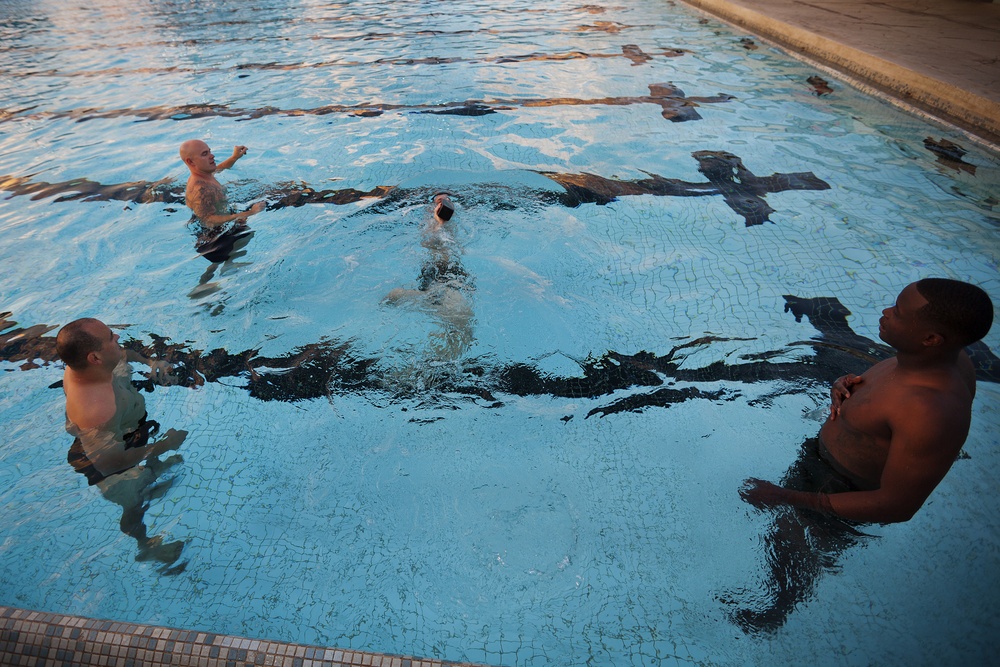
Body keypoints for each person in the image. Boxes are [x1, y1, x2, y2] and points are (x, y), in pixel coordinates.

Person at [733, 278, 994, 631]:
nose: (886, 312)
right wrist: (847, 385)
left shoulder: (928, 411)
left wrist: (785, 496)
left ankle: (775, 612)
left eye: (899, 313)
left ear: (931, 339)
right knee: (785, 538)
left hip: (841, 489)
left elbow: (897, 506)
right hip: (826, 465)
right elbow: (887, 401)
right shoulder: (934, 360)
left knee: (791, 547)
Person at [56, 318, 188, 570]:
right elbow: (110, 463)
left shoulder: (93, 364)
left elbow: (123, 354)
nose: (116, 336)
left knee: (144, 472)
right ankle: (145, 545)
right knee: (133, 504)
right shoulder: (94, 408)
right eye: (109, 337)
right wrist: (166, 445)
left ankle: (149, 476)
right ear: (94, 357)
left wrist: (151, 362)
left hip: (128, 431)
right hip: (104, 459)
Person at [384, 193, 474, 364]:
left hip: (439, 287)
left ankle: (439, 220)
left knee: (439, 248)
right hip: (448, 289)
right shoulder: (454, 296)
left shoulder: (431, 277)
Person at [179, 139, 265, 262]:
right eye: (205, 154)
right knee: (247, 233)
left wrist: (235, 157)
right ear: (190, 161)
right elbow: (209, 220)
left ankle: (217, 269)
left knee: (213, 269)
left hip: (215, 231)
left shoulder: (204, 174)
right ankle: (228, 266)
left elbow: (220, 168)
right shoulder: (200, 189)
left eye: (209, 151)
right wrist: (249, 213)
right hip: (216, 240)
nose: (212, 156)